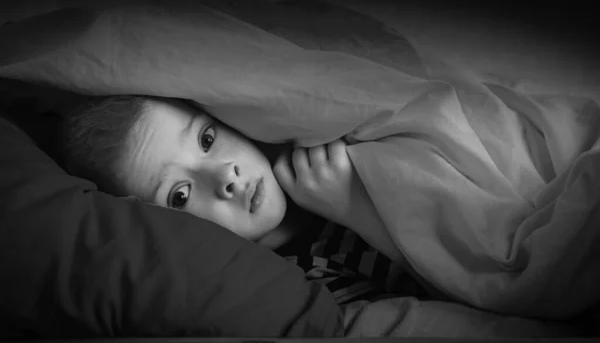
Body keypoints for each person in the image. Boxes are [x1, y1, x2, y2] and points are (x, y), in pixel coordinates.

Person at [61, 94, 430, 304]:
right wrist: (359, 213)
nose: (224, 176)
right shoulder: (303, 282)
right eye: (180, 195)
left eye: (207, 139)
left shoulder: (323, 144)